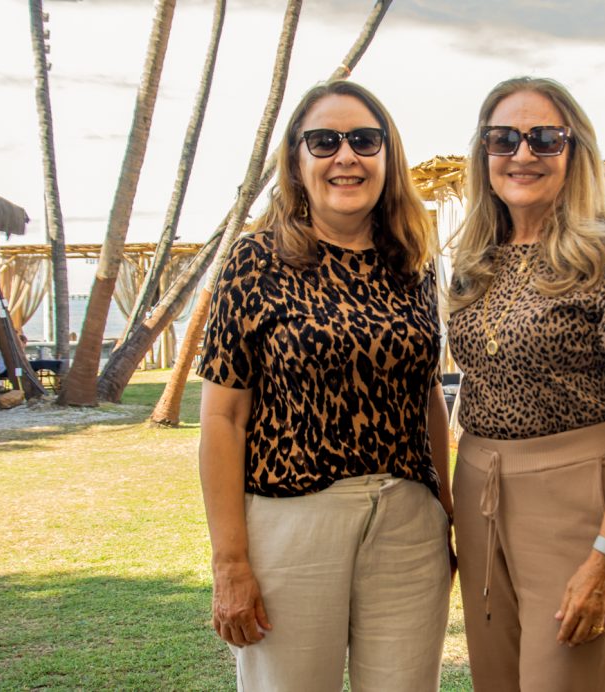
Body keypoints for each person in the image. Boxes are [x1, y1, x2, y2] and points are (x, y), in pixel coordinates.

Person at [196, 80, 453, 691]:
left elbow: (427, 397)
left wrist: (447, 512)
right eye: (324, 142)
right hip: (293, 520)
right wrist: (230, 561)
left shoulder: (413, 264)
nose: (346, 156)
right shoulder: (255, 260)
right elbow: (223, 419)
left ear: (387, 156)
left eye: (364, 140)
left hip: (410, 523)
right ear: (296, 160)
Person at [446, 76, 605, 692]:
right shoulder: (475, 260)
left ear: (575, 151)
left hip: (577, 501)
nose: (522, 154)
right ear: (484, 152)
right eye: (503, 139)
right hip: (479, 494)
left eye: (544, 138)